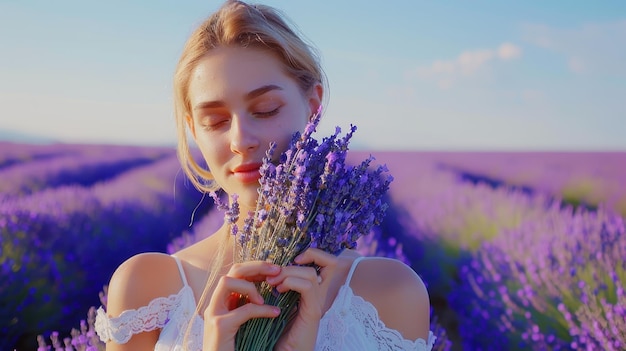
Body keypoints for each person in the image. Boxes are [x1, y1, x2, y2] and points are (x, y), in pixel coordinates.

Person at [94, 1, 435, 350]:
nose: (241, 140)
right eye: (215, 121)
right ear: (193, 129)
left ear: (313, 107)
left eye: (265, 110)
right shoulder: (146, 288)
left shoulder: (391, 293)